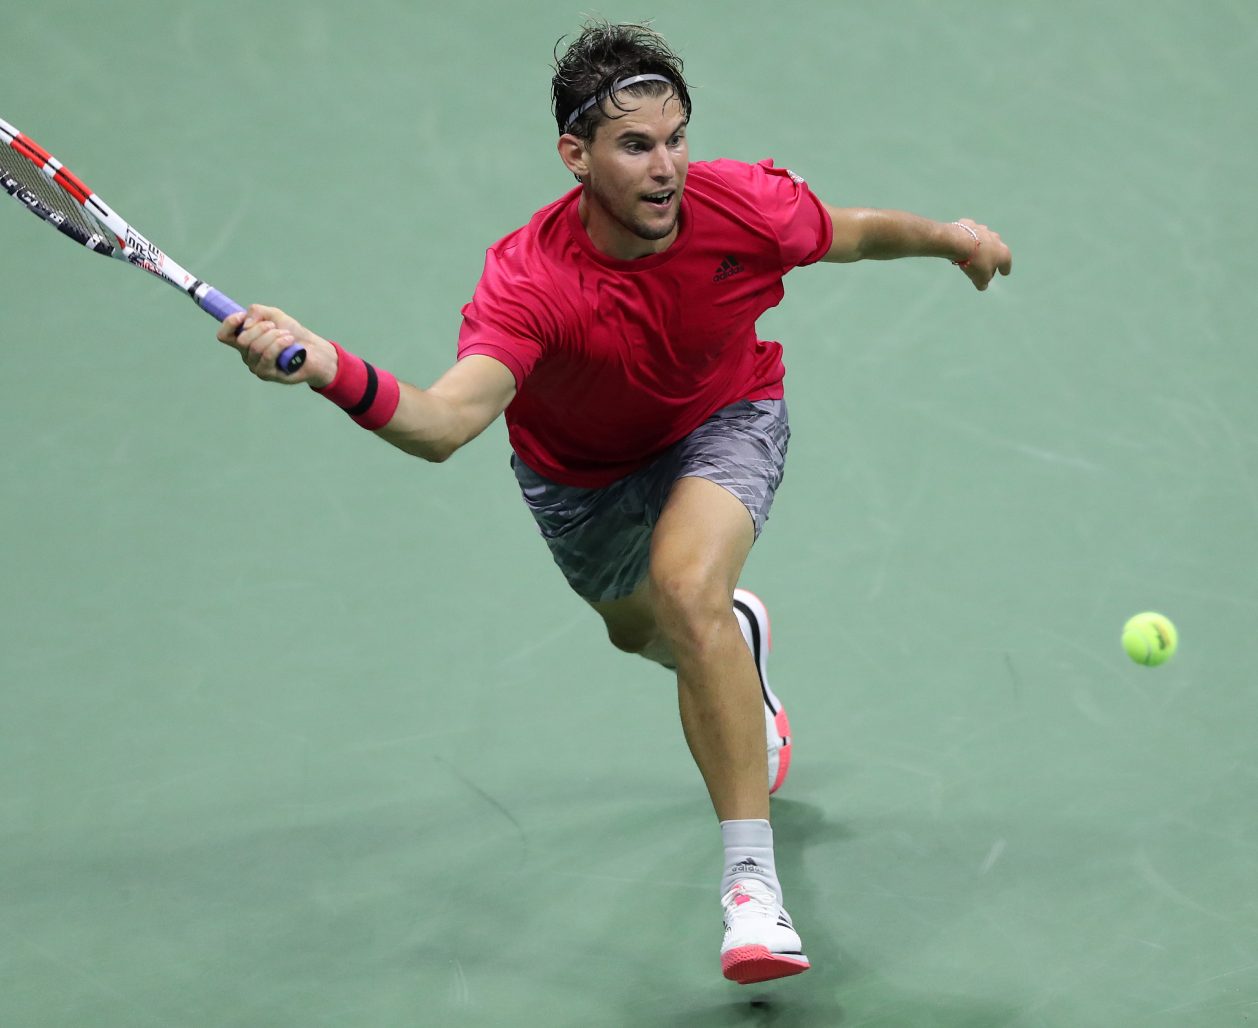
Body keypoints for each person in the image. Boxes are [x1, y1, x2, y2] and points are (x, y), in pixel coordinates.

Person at [216, 21, 1011, 985]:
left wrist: (952, 240)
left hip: (725, 419)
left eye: (676, 137)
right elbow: (440, 424)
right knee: (649, 633)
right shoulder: (528, 282)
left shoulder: (743, 206)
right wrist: (329, 368)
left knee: (687, 591)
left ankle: (752, 896)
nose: (666, 166)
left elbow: (847, 232)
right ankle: (734, 647)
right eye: (636, 145)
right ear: (576, 156)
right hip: (578, 478)